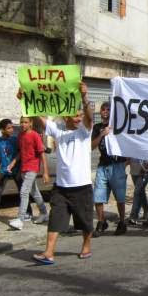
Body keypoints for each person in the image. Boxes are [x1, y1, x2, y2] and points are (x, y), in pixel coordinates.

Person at [31, 82, 94, 265]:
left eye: (80, 115)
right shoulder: (58, 131)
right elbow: (40, 118)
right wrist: (27, 100)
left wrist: (84, 97)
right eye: (75, 115)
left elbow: (90, 118)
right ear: (66, 116)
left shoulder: (85, 132)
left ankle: (86, 245)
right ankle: (49, 252)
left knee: (84, 221)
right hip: (61, 187)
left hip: (82, 186)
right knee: (55, 218)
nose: (79, 118)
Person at [0, 119, 32, 225]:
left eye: (12, 127)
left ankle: (29, 212)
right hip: (4, 170)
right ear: (2, 130)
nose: (11, 130)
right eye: (9, 128)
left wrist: (14, 163)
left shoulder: (15, 140)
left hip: (16, 170)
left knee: (22, 191)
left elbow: (20, 153)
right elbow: (0, 158)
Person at [92, 101, 128, 237]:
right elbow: (91, 146)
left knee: (120, 197)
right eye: (103, 109)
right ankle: (101, 221)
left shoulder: (119, 127)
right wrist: (102, 134)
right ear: (100, 112)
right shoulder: (97, 127)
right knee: (98, 196)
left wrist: (127, 161)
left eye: (108, 109)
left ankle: (122, 222)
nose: (105, 112)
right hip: (103, 165)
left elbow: (128, 143)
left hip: (117, 165)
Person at [8, 116, 49, 230]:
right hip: (23, 168)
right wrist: (13, 163)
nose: (23, 124)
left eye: (25, 122)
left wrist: (45, 172)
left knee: (24, 192)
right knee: (35, 192)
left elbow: (42, 154)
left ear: (31, 123)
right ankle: (44, 213)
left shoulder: (35, 135)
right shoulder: (20, 136)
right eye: (21, 122)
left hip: (32, 168)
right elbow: (21, 152)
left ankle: (20, 220)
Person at [128, 159, 148, 226]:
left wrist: (146, 168)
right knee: (141, 192)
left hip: (143, 172)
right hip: (134, 171)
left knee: (137, 192)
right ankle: (147, 210)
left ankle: (134, 216)